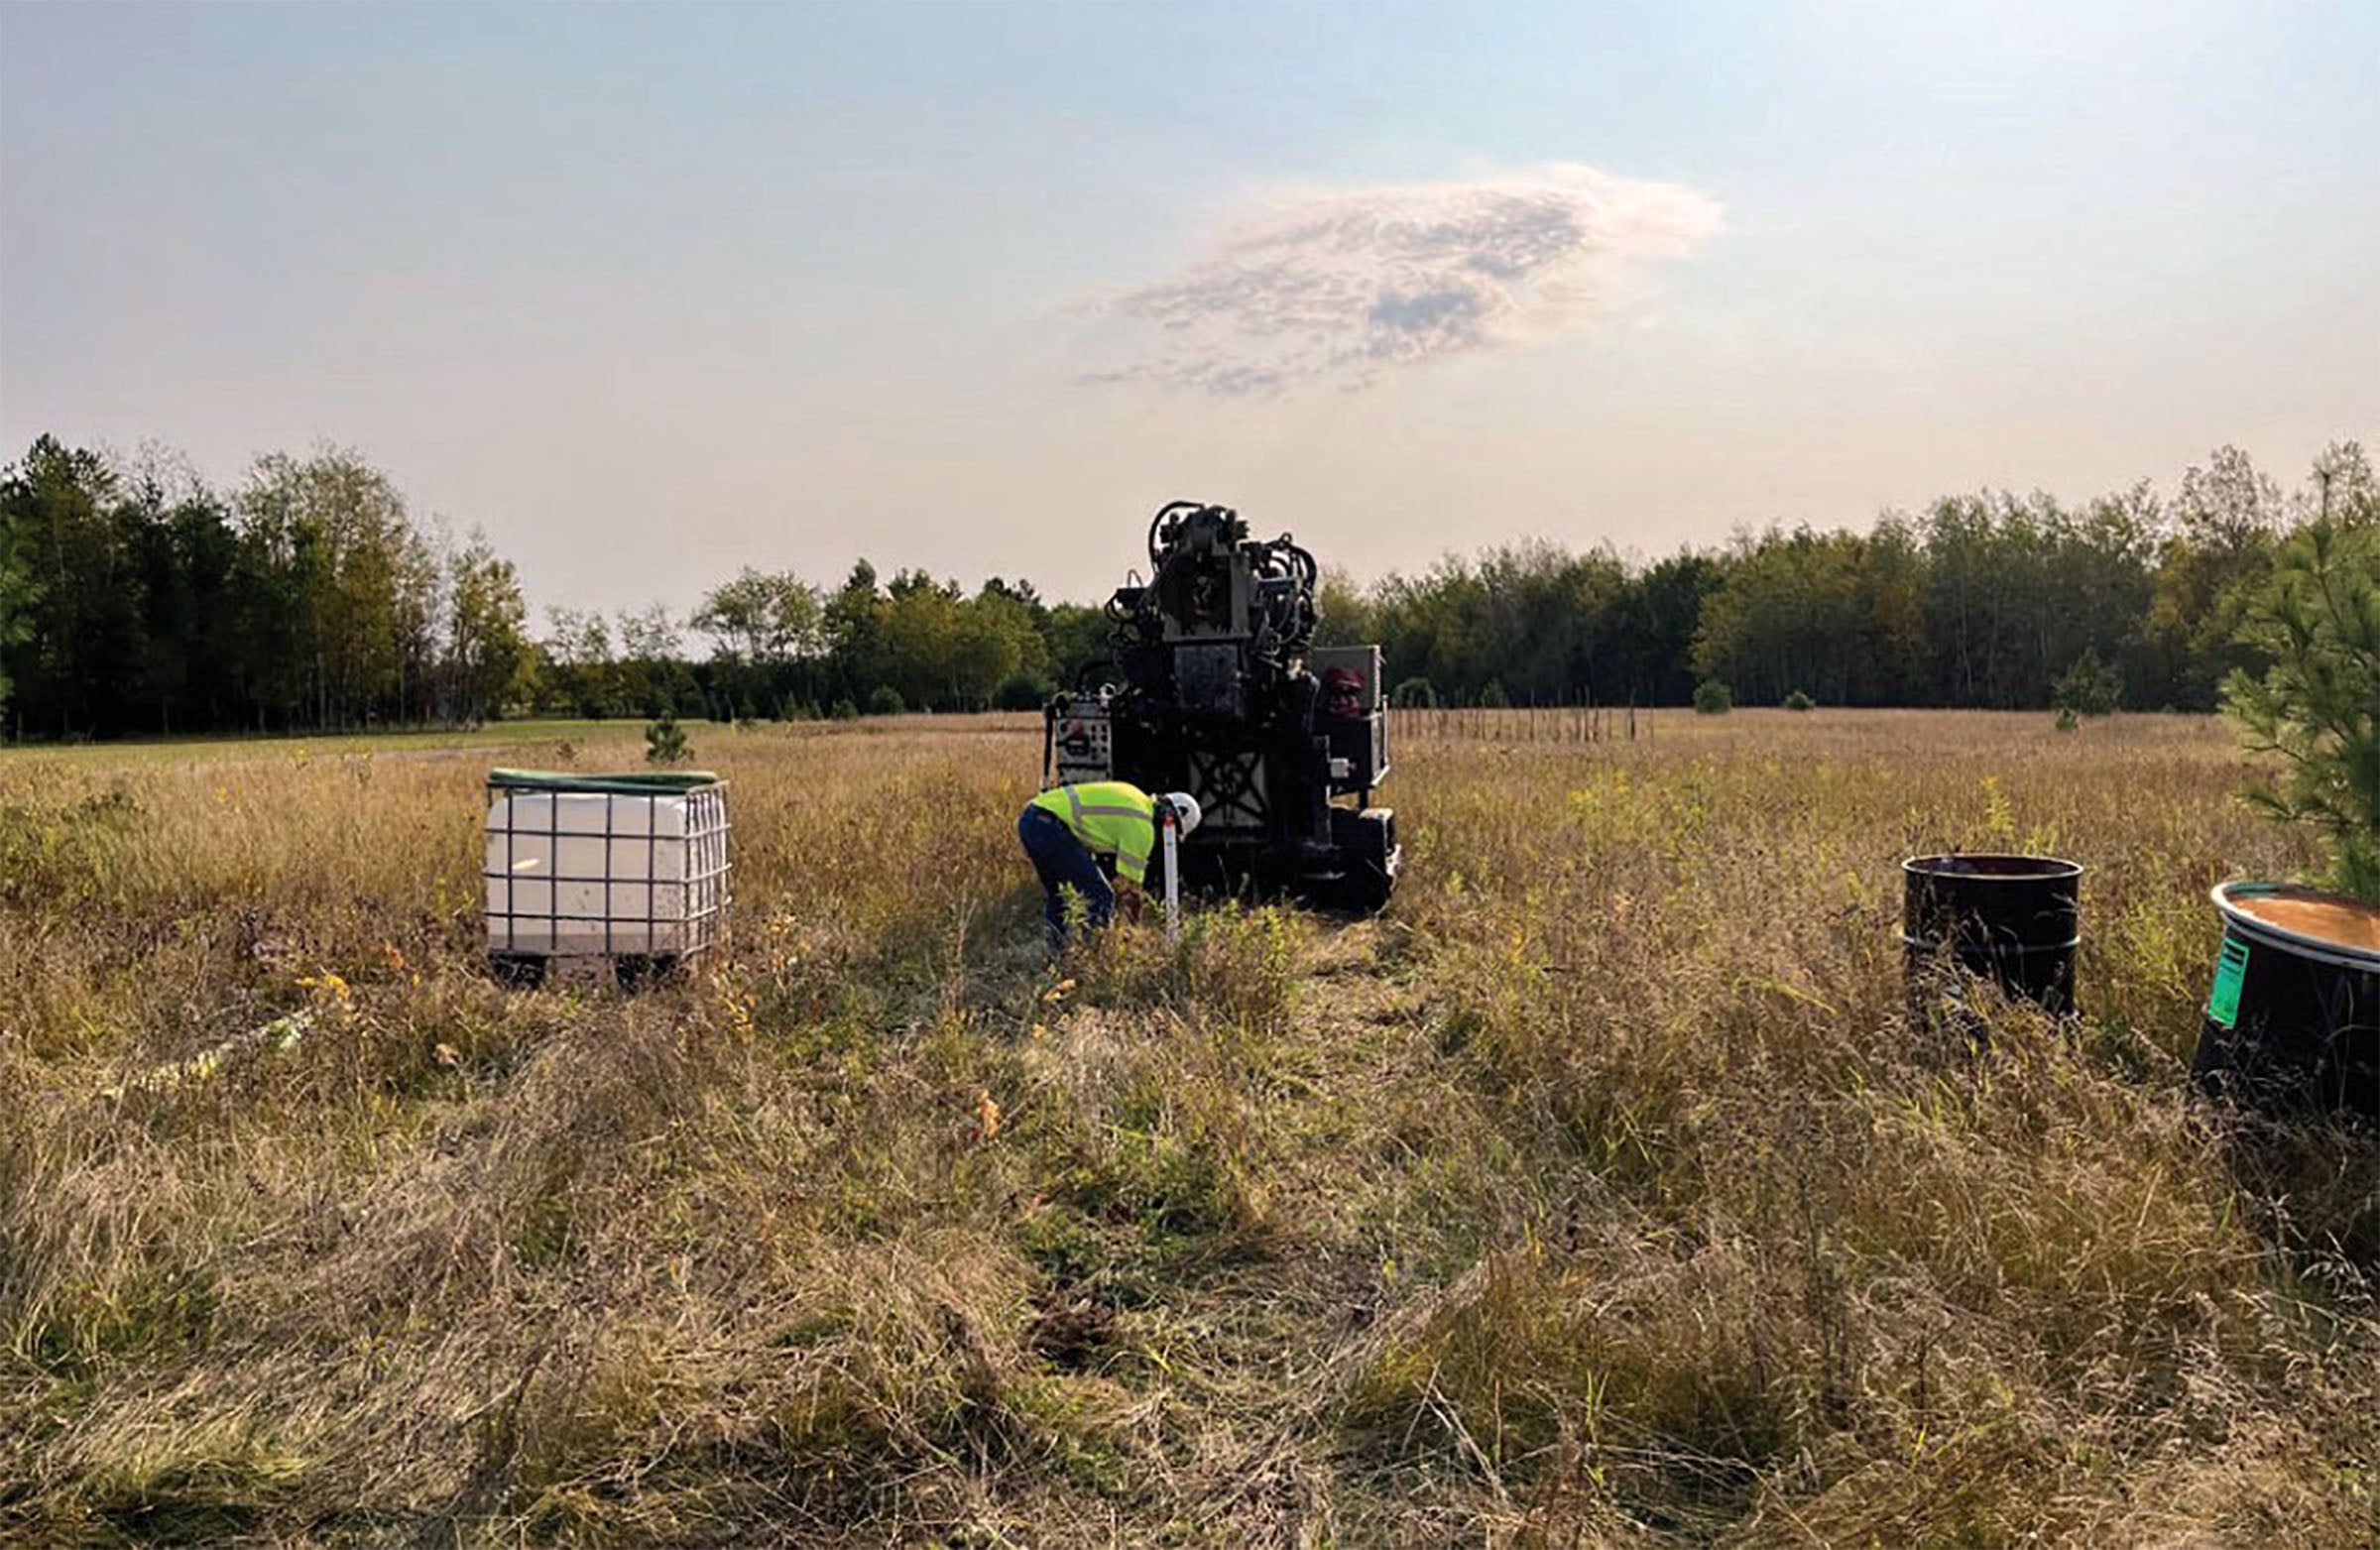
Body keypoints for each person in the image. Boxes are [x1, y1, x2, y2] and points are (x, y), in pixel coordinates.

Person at [1018, 780, 1202, 948]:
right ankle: (1092, 958)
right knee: (1100, 896)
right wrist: (1131, 935)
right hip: (1050, 827)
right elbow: (1128, 891)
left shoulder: (1135, 795)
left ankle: (1057, 957)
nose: (1165, 838)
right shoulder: (1142, 829)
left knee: (1060, 896)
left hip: (1032, 819)